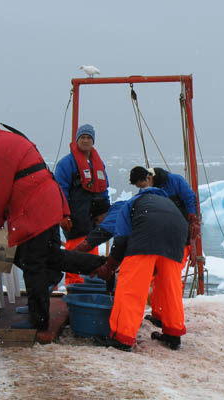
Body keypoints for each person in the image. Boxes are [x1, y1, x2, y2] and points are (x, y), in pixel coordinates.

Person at [0, 122, 105, 331]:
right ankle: (100, 265)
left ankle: (38, 320)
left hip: (35, 210)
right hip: (48, 205)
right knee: (49, 256)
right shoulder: (5, 139)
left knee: (32, 262)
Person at [90, 187, 189, 352]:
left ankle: (122, 337)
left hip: (147, 237)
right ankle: (174, 333)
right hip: (178, 234)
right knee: (170, 287)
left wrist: (110, 267)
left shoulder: (129, 205)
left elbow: (121, 241)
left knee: (131, 287)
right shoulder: (167, 203)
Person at [129, 166, 201, 327]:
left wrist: (193, 218)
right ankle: (160, 313)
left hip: (179, 238)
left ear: (148, 178)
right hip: (162, 239)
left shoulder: (174, 181)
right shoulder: (152, 191)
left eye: (143, 185)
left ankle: (171, 321)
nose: (144, 189)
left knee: (171, 280)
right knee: (160, 278)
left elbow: (190, 197)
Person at [54, 124, 110, 285]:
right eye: (82, 137)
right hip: (75, 219)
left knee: (92, 256)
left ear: (93, 141)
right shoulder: (66, 164)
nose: (85, 141)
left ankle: (89, 289)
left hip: (94, 220)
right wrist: (63, 214)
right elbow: (60, 191)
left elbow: (104, 187)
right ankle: (73, 288)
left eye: (88, 137)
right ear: (77, 140)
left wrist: (105, 212)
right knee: (74, 255)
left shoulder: (98, 164)